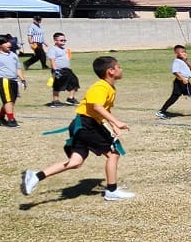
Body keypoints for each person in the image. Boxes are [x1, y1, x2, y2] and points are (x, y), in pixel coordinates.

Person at [21, 56, 133, 201]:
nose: (121, 69)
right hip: (85, 125)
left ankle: (36, 176)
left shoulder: (109, 87)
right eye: (118, 67)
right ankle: (112, 190)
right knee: (113, 153)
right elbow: (97, 107)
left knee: (75, 162)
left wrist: (113, 125)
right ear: (110, 71)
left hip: (85, 125)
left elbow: (104, 109)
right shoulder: (100, 87)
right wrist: (116, 122)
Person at [157, 44, 191, 118]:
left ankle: (162, 111)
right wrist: (183, 79)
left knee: (174, 97)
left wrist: (186, 60)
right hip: (182, 81)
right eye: (182, 52)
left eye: (185, 52)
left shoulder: (183, 61)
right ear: (176, 53)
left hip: (181, 82)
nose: (184, 53)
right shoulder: (177, 61)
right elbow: (175, 71)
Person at [43, 33, 79, 107]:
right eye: (61, 40)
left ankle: (70, 99)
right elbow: (52, 60)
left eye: (64, 40)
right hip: (58, 70)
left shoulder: (64, 49)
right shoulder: (53, 49)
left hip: (67, 70)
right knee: (58, 85)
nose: (63, 42)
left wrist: (69, 67)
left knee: (74, 82)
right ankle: (55, 101)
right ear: (55, 41)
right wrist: (55, 70)